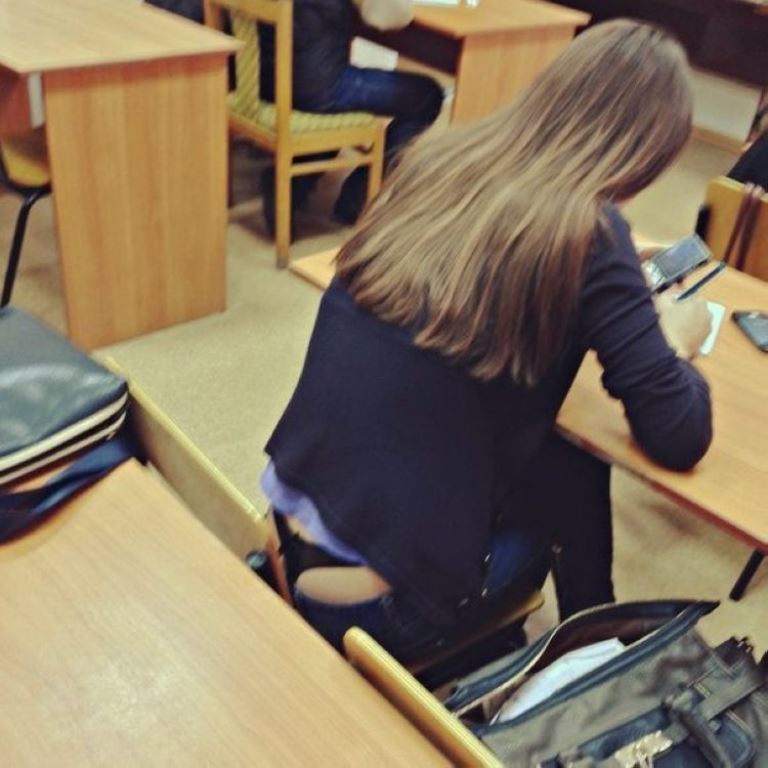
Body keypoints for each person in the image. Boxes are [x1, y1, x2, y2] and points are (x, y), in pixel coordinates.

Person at [261, 20, 713, 662]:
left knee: (560, 455)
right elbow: (678, 434)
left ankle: (592, 648)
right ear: (645, 153)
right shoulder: (589, 232)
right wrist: (674, 338)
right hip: (374, 611)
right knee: (574, 478)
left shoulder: (441, 161)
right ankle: (591, 653)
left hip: (288, 540)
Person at [258, 0, 444, 230]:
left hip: (262, 78)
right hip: (313, 88)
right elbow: (389, 17)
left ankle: (292, 185)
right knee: (428, 96)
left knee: (339, 89)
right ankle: (356, 200)